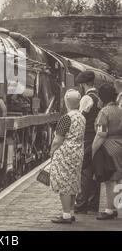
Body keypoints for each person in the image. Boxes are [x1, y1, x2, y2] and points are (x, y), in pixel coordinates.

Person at [50, 89, 86, 224]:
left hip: (65, 153)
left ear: (66, 102)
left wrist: (52, 151)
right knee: (72, 182)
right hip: (78, 153)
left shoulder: (66, 118)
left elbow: (58, 139)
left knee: (64, 184)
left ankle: (65, 215)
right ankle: (70, 213)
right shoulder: (82, 117)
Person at [92, 83, 122, 220]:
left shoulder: (104, 111)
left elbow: (101, 134)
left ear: (102, 97)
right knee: (118, 178)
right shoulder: (120, 110)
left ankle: (110, 210)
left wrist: (93, 150)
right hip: (120, 144)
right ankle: (116, 207)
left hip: (109, 147)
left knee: (110, 180)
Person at [75, 70, 101, 214]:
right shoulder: (98, 97)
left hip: (87, 137)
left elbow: (80, 118)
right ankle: (93, 204)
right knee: (94, 171)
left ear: (84, 84)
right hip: (96, 137)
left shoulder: (86, 98)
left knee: (85, 171)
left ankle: (81, 204)